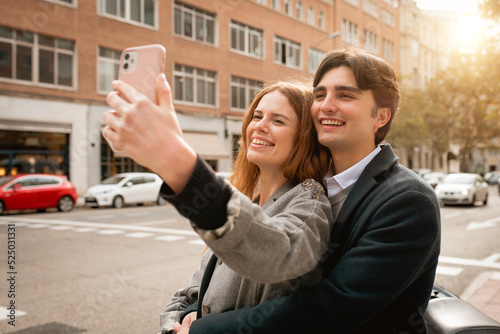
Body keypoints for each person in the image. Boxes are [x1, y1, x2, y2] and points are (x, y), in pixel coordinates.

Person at [164, 48, 441, 333]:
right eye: (320, 95)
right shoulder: (300, 188)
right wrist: (190, 313)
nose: (326, 106)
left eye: (345, 95)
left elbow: (331, 308)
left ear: (381, 116)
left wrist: (205, 329)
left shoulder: (408, 199)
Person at [102, 79, 333, 333]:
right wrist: (185, 318)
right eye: (257, 116)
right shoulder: (247, 202)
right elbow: (188, 295)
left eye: (278, 121)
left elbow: (275, 253)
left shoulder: (311, 201)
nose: (260, 126)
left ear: (305, 138)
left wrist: (174, 158)